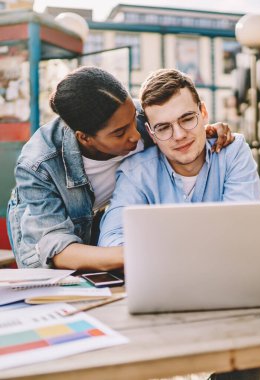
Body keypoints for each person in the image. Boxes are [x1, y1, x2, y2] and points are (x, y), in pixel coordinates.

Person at [97, 69, 260, 380]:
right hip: (162, 306)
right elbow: (112, 239)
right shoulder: (136, 171)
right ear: (151, 133)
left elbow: (244, 231)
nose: (178, 135)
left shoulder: (233, 152)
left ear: (204, 113)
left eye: (187, 119)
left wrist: (160, 251)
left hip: (230, 299)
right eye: (163, 127)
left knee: (254, 357)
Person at [6, 66, 233, 270]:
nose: (135, 135)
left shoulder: (135, 116)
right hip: (47, 231)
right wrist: (140, 253)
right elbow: (56, 249)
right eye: (120, 133)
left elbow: (176, 127)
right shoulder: (38, 165)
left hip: (104, 217)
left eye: (133, 120)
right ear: (85, 138)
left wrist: (205, 131)